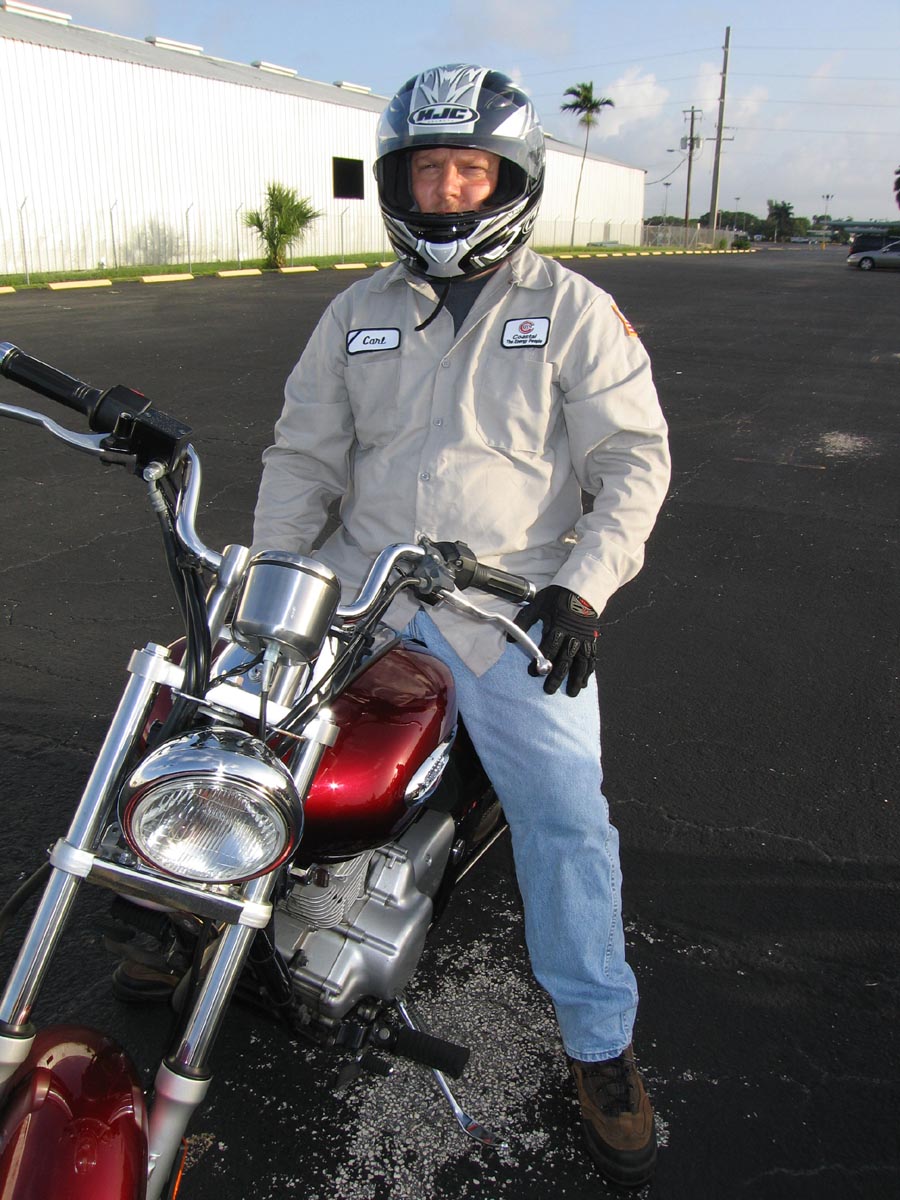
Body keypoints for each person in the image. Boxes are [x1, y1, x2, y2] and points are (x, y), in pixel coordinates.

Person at [252, 64, 670, 1188]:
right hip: (366, 599)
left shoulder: (572, 309)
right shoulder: (356, 312)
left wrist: (582, 588)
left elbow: (634, 464)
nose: (446, 191)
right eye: (427, 169)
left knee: (567, 819)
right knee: (247, 738)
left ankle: (599, 1042)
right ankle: (190, 922)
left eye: (470, 170)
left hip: (514, 610)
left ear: (510, 181)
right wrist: (273, 583)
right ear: (398, 182)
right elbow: (302, 460)